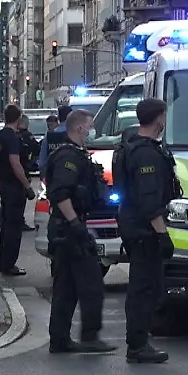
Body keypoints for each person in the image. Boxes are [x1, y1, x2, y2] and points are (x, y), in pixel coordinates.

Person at [45, 108, 114, 354]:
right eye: (90, 125)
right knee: (92, 283)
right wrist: (75, 224)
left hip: (66, 227)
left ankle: (60, 339)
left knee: (66, 286)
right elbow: (60, 193)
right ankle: (90, 337)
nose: (92, 130)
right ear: (79, 128)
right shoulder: (69, 157)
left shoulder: (74, 154)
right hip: (69, 228)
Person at [115, 98, 178, 364]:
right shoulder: (146, 154)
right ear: (159, 119)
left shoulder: (133, 147)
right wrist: (162, 234)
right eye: (164, 116)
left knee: (147, 286)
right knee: (143, 289)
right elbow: (150, 201)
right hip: (143, 231)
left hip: (135, 227)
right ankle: (138, 345)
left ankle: (140, 341)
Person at [0, 105, 35, 276]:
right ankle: (9, 263)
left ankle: (4, 261)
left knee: (7, 224)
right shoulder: (12, 138)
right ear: (18, 118)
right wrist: (27, 185)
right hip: (14, 186)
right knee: (14, 227)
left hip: (3, 183)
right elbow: (15, 164)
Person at [16, 115, 38, 231]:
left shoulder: (13, 134)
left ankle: (16, 220)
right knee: (22, 197)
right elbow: (36, 148)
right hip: (23, 168)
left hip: (11, 173)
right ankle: (20, 221)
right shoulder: (27, 136)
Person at [37, 105, 72, 171]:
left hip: (53, 174)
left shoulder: (49, 135)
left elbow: (42, 161)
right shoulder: (74, 134)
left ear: (58, 117)